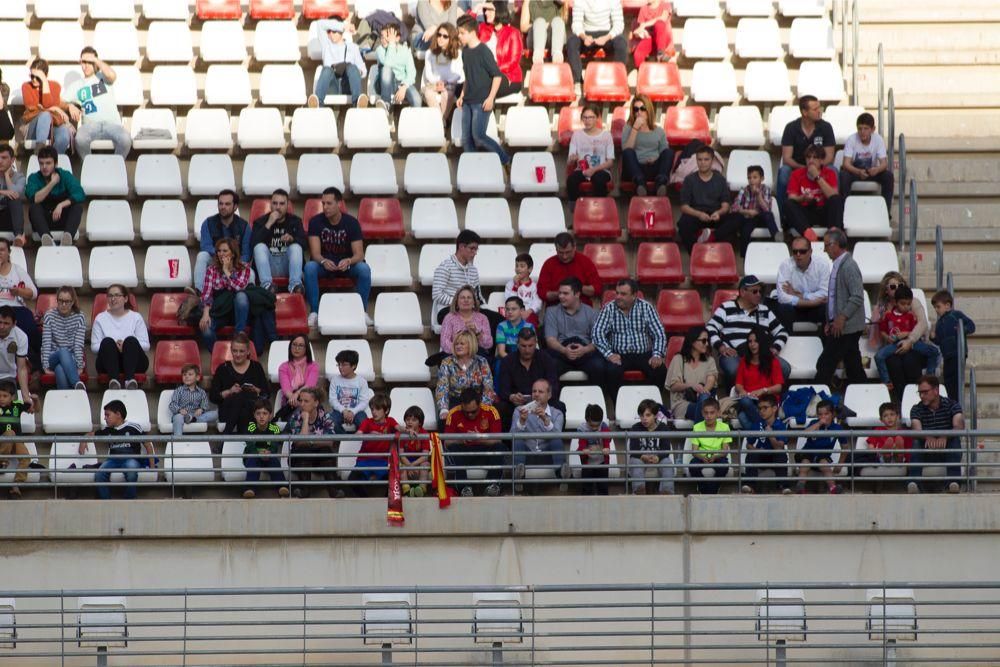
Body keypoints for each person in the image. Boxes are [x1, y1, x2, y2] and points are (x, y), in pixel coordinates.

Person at [304, 186, 371, 328]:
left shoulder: (351, 223)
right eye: (323, 203)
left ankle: (361, 311)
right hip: (325, 264)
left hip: (346, 265)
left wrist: (349, 261)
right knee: (310, 267)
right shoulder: (315, 222)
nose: (325, 207)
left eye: (329, 203)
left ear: (339, 204)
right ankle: (314, 312)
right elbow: (315, 253)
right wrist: (323, 261)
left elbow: (359, 254)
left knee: (364, 269)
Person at [707, 275, 790, 382]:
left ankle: (766, 393)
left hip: (760, 354)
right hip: (735, 354)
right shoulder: (726, 308)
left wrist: (775, 348)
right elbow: (710, 327)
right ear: (742, 292)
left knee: (784, 368)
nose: (759, 295)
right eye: (754, 292)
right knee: (734, 370)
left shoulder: (765, 310)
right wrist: (721, 347)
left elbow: (782, 332)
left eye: (760, 292)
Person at [867, 271, 933, 400]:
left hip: (914, 345)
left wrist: (910, 340)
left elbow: (922, 323)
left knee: (910, 361)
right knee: (893, 363)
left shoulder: (912, 302)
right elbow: (877, 330)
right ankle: (901, 400)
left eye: (900, 284)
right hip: (892, 347)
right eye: (892, 286)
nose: (897, 288)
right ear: (886, 290)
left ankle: (917, 398)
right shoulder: (882, 307)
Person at [456, 14, 511, 165]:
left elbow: (497, 76)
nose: (459, 36)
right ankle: (473, 169)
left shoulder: (484, 51)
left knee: (479, 136)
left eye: (462, 33)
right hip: (468, 102)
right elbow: (468, 76)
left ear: (472, 32)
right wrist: (462, 95)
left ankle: (506, 160)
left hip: (481, 102)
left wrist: (491, 98)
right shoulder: (465, 52)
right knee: (467, 140)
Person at [593, 279, 668, 389]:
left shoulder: (646, 307)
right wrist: (609, 354)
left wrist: (657, 354)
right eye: (617, 293)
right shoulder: (609, 308)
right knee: (611, 371)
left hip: (643, 354)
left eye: (623, 294)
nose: (618, 297)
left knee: (660, 370)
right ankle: (618, 404)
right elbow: (597, 333)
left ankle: (648, 403)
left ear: (634, 295)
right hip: (619, 355)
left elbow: (659, 333)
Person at [815, 229, 866, 388]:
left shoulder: (849, 266)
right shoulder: (840, 264)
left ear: (836, 244)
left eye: (826, 245)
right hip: (843, 325)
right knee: (853, 364)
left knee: (825, 364)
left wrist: (841, 317)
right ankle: (864, 393)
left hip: (846, 326)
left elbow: (857, 296)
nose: (824, 250)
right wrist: (830, 320)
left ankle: (817, 397)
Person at [65, 47, 131, 158]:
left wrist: (95, 60)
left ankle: (115, 167)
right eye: (83, 62)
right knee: (80, 139)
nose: (85, 65)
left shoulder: (103, 77)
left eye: (89, 62)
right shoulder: (76, 85)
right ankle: (89, 167)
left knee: (125, 140)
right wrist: (69, 105)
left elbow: (112, 75)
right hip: (90, 126)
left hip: (112, 124)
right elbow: (60, 101)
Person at [875, 285, 940, 393]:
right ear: (896, 302)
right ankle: (887, 382)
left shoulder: (911, 315)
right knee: (879, 356)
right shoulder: (888, 315)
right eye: (903, 304)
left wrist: (907, 336)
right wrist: (888, 337)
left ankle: (930, 379)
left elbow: (918, 329)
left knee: (933, 351)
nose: (906, 306)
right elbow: (882, 330)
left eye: (908, 304)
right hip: (895, 345)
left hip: (913, 343)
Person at [777, 95, 836, 212]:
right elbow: (787, 158)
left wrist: (816, 168)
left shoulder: (826, 127)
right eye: (815, 109)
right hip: (798, 167)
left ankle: (834, 212)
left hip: (820, 167)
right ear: (804, 112)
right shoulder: (791, 128)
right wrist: (805, 168)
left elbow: (829, 156)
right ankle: (782, 214)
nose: (819, 111)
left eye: (819, 108)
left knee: (833, 170)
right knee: (784, 171)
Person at [908, 375, 965, 494]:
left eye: (925, 392)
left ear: (936, 390)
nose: (922, 396)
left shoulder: (952, 405)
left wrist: (945, 436)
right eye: (920, 393)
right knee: (917, 442)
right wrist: (927, 436)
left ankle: (953, 483)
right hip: (926, 450)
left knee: (955, 441)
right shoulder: (916, 409)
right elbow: (916, 430)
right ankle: (914, 484)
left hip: (946, 449)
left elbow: (959, 427)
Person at [444, 387, 504, 496]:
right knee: (453, 449)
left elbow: (498, 439)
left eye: (473, 411)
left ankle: (493, 486)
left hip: (484, 451)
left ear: (480, 403)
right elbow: (447, 442)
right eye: (466, 412)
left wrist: (480, 438)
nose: (470, 415)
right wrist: (462, 439)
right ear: (461, 405)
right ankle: (464, 488)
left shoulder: (491, 411)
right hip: (463, 451)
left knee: (499, 447)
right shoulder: (453, 414)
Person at [543, 277, 604, 383]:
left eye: (565, 293)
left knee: (599, 366)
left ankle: (595, 399)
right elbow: (550, 340)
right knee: (548, 365)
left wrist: (584, 350)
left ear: (577, 294)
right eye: (560, 293)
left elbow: (598, 340)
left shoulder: (592, 313)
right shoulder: (551, 311)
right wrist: (565, 350)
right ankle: (553, 399)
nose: (561, 296)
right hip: (561, 352)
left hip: (585, 352)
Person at [511, 378, 568, 491]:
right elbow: (510, 436)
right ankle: (518, 476)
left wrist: (546, 420)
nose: (536, 394)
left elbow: (558, 437)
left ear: (549, 395)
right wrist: (521, 422)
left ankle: (562, 476)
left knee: (556, 438)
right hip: (527, 456)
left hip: (547, 455)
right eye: (534, 391)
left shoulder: (557, 413)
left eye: (540, 392)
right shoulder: (519, 410)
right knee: (517, 438)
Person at [192, 190, 252, 297]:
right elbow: (205, 246)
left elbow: (246, 254)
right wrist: (222, 255)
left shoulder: (244, 226)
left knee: (250, 273)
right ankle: (199, 293)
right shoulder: (208, 223)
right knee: (202, 256)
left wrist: (232, 263)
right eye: (221, 203)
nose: (223, 207)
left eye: (227, 204)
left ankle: (246, 299)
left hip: (235, 263)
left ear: (235, 207)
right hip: (215, 261)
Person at [497, 327, 560, 428]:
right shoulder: (508, 361)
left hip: (542, 401)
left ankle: (555, 439)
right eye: (523, 346)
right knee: (502, 407)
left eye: (530, 346)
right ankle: (508, 443)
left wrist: (542, 397)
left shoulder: (546, 359)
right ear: (517, 344)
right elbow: (503, 390)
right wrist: (512, 397)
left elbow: (553, 386)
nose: (527, 350)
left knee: (559, 406)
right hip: (516, 404)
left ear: (536, 343)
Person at [92, 400, 155, 500]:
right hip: (112, 460)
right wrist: (83, 441)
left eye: (108, 415)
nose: (105, 418)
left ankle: (128, 500)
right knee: (99, 474)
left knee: (131, 471)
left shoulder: (133, 427)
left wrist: (152, 467)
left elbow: (148, 445)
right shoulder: (108, 429)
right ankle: (106, 502)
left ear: (118, 414)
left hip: (131, 459)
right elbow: (91, 434)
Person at [91, 284, 149, 390]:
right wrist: (114, 346)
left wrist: (125, 346)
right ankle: (114, 381)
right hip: (108, 362)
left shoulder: (136, 317)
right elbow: (94, 347)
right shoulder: (100, 318)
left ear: (125, 298)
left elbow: (146, 345)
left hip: (134, 361)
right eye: (110, 296)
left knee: (130, 340)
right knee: (107, 342)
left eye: (117, 295)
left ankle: (129, 380)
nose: (113, 299)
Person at [209, 333, 269, 434]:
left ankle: (226, 436)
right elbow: (213, 396)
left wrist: (256, 390)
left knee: (243, 404)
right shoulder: (222, 368)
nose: (237, 354)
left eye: (241, 351)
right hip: (228, 410)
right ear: (231, 349)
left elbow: (266, 393)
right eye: (235, 351)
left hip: (252, 410)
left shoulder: (256, 367)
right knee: (238, 398)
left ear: (248, 351)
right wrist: (229, 391)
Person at [199, 237, 253, 350]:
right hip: (220, 311)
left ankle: (238, 335)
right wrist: (205, 314)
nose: (221, 254)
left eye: (225, 251)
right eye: (219, 251)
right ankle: (219, 355)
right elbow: (207, 293)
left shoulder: (244, 268)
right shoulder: (211, 270)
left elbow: (239, 287)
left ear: (233, 254)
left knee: (241, 296)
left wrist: (227, 272)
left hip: (237, 313)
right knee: (206, 330)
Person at [25, 146, 85, 246]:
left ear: (55, 164)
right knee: (34, 207)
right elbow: (35, 198)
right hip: (43, 221)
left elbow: (80, 193)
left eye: (48, 163)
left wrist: (61, 205)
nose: (44, 167)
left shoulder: (65, 175)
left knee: (77, 207)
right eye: (41, 163)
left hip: (62, 219)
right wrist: (52, 183)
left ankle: (67, 237)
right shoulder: (34, 178)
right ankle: (47, 239)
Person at [284, 386, 338, 498]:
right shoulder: (295, 417)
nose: (302, 404)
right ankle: (305, 490)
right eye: (300, 400)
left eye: (306, 401)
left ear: (316, 403)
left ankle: (333, 491)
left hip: (318, 456)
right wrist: (306, 420)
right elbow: (300, 442)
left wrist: (310, 442)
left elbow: (330, 441)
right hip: (298, 457)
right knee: (303, 450)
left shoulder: (325, 416)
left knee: (326, 451)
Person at [251, 189, 306, 295]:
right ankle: (267, 285)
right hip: (269, 265)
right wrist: (269, 223)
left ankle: (295, 285)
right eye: (275, 203)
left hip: (287, 265)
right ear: (270, 205)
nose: (278, 207)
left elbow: (304, 244)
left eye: (282, 204)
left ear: (287, 205)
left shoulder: (295, 221)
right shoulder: (260, 222)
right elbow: (253, 244)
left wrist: (292, 239)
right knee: (259, 247)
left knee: (296, 247)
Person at [784, 144, 844, 241]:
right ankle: (809, 234)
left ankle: (834, 236)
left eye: (815, 158)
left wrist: (817, 176)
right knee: (788, 204)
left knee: (836, 200)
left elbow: (833, 195)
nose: (811, 161)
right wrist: (802, 198)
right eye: (808, 157)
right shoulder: (796, 174)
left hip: (824, 211)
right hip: (806, 210)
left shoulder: (829, 173)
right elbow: (791, 197)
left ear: (821, 161)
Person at [435, 330, 498, 421]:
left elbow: (488, 387)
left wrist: (484, 407)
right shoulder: (447, 362)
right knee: (444, 419)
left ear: (471, 345)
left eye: (462, 344)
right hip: (456, 401)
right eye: (456, 344)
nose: (458, 346)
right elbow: (442, 387)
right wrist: (444, 409)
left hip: (477, 402)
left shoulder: (482, 361)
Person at [771, 236, 830, 332]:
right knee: (783, 308)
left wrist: (798, 295)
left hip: (815, 308)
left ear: (810, 252)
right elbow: (782, 297)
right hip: (795, 308)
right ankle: (787, 342)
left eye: (802, 251)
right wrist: (811, 302)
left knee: (827, 308)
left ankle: (826, 345)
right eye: (795, 252)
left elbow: (824, 294)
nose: (798, 255)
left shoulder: (822, 265)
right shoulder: (785, 265)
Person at [677, 145, 731, 250]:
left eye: (706, 159)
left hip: (715, 215)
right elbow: (684, 206)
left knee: (736, 219)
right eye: (700, 159)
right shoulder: (689, 180)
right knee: (683, 225)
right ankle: (696, 253)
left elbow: (726, 205)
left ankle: (712, 237)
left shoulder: (720, 179)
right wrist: (699, 214)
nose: (702, 162)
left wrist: (718, 213)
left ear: (712, 160)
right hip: (697, 215)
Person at [716, 165, 777, 256]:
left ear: (762, 178)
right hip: (748, 217)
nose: (751, 180)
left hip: (761, 217)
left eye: (755, 177)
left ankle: (777, 238)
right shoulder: (744, 190)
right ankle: (744, 255)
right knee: (745, 230)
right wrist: (747, 212)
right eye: (749, 178)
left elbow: (767, 209)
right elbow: (734, 207)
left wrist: (758, 196)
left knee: (768, 215)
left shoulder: (765, 189)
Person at [348, 394, 400, 496]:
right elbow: (358, 434)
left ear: (386, 410)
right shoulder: (367, 422)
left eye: (377, 409)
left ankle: (386, 504)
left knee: (394, 480)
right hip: (364, 460)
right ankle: (366, 501)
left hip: (383, 462)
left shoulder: (390, 421)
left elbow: (400, 429)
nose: (374, 412)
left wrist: (409, 430)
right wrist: (369, 435)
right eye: (372, 409)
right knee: (352, 480)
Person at [839, 112, 893, 213]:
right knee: (843, 175)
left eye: (866, 128)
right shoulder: (851, 139)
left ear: (873, 129)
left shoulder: (878, 139)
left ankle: (885, 212)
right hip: (854, 172)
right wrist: (858, 172)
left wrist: (877, 170)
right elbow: (846, 164)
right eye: (860, 128)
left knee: (888, 176)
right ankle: (844, 211)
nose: (862, 132)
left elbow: (884, 164)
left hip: (871, 171)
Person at [734, 327, 785, 432]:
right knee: (744, 404)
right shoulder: (744, 361)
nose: (752, 344)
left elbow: (779, 387)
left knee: (743, 416)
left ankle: (760, 436)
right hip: (749, 401)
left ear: (762, 342)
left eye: (756, 341)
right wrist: (742, 391)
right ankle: (766, 432)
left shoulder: (772, 361)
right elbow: (738, 384)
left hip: (767, 401)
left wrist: (763, 390)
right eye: (750, 342)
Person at [0, 237, 40, 371]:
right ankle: (32, 364)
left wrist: (19, 291)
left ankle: (35, 365)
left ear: (8, 253)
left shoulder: (17, 270)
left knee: (30, 329)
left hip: (16, 307)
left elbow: (34, 293)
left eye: (2, 250)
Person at [308, 19, 368, 108]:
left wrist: (353, 71)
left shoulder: (353, 47)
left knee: (352, 67)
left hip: (347, 84)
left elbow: (364, 71)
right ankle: (317, 103)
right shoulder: (326, 45)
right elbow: (320, 24)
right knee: (327, 69)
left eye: (334, 31)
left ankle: (358, 102)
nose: (331, 34)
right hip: (332, 84)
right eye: (329, 31)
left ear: (341, 32)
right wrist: (343, 26)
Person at [567, 0, 627, 88]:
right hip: (587, 33)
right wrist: (584, 37)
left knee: (621, 43)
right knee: (572, 42)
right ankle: (577, 81)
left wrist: (606, 37)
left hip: (607, 33)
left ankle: (618, 80)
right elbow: (576, 24)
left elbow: (619, 24)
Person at [621, 95, 673, 197]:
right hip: (635, 169)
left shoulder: (659, 131)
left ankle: (661, 183)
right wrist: (635, 128)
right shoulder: (628, 128)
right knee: (628, 152)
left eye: (642, 109)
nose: (639, 112)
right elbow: (625, 149)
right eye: (636, 109)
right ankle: (640, 185)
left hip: (653, 168)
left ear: (648, 110)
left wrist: (655, 158)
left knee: (669, 152)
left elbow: (664, 153)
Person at [931, 290, 976, 401]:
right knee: (948, 380)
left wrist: (962, 329)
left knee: (956, 380)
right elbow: (939, 341)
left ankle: (957, 403)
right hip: (947, 356)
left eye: (938, 307)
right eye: (935, 308)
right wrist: (932, 337)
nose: (936, 310)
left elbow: (971, 325)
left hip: (957, 354)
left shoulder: (956, 315)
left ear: (947, 306)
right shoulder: (939, 323)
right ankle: (951, 403)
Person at [666, 326, 718, 422]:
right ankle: (701, 436)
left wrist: (703, 392)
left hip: (703, 401)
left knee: (705, 404)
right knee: (706, 411)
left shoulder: (710, 360)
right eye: (703, 340)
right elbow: (673, 385)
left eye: (708, 341)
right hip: (682, 403)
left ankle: (698, 436)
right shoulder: (679, 359)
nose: (706, 344)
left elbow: (711, 379)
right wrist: (692, 385)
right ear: (693, 341)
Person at [740, 393, 790, 494]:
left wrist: (770, 434)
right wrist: (756, 450)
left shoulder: (780, 425)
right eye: (759, 408)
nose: (761, 411)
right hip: (760, 455)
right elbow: (748, 444)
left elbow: (779, 446)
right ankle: (750, 486)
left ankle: (783, 487)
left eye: (765, 408)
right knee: (751, 455)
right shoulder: (756, 425)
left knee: (781, 454)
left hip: (774, 456)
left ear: (774, 408)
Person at [20, 58, 72, 154]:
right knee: (45, 115)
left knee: (64, 136)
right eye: (32, 76)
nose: (34, 80)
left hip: (54, 123)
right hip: (34, 127)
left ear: (46, 76)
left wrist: (44, 82)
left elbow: (48, 104)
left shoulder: (55, 86)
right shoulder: (26, 86)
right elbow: (31, 107)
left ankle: (52, 161)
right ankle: (39, 151)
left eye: (38, 77)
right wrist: (54, 108)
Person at [537, 233, 602, 307]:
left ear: (575, 247)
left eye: (568, 252)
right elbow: (541, 292)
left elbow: (597, 288)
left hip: (582, 307)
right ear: (556, 249)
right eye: (561, 252)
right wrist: (560, 293)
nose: (565, 257)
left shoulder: (585, 261)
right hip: (556, 308)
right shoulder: (549, 264)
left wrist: (577, 288)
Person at [794, 399, 845, 494]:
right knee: (805, 463)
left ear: (833, 414)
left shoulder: (837, 428)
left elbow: (845, 447)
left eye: (826, 414)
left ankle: (833, 488)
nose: (823, 417)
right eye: (820, 414)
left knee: (824, 464)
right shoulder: (814, 423)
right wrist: (819, 423)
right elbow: (805, 434)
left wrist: (840, 464)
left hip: (823, 456)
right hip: (808, 454)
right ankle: (800, 486)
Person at [566, 104, 614, 203]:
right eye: (585, 117)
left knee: (599, 180)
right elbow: (569, 161)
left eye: (591, 117)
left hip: (601, 169)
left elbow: (610, 162)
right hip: (582, 169)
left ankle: (599, 208)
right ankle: (576, 207)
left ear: (597, 118)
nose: (587, 120)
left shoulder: (606, 135)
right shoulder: (577, 135)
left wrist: (594, 169)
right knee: (571, 180)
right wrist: (572, 159)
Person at [40, 285, 86, 390]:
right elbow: (46, 343)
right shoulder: (49, 316)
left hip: (71, 359)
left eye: (67, 301)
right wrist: (45, 366)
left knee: (60, 369)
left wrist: (79, 366)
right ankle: (76, 383)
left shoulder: (80, 317)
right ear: (57, 301)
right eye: (60, 301)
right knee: (63, 351)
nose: (63, 304)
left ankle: (65, 401)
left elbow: (78, 344)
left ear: (73, 302)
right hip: (52, 357)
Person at [242, 400, 288, 499]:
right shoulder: (251, 427)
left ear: (270, 415)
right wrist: (258, 452)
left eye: (265, 413)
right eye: (258, 413)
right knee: (252, 460)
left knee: (274, 461)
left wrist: (269, 452)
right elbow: (249, 444)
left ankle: (282, 486)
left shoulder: (274, 428)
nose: (261, 416)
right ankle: (249, 489)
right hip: (253, 456)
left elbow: (275, 443)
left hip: (269, 456)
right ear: (254, 415)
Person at [626, 398, 673, 495]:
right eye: (641, 415)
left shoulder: (663, 428)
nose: (644, 418)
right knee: (636, 463)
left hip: (658, 458)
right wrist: (643, 456)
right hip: (640, 458)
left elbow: (666, 449)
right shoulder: (635, 428)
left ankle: (666, 493)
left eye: (648, 415)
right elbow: (633, 450)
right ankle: (639, 491)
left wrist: (658, 457)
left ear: (655, 415)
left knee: (667, 463)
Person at [372, 23, 421, 111]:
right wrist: (391, 44)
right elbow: (388, 65)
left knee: (417, 99)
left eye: (388, 36)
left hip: (402, 83)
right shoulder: (380, 50)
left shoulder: (405, 50)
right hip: (385, 84)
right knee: (386, 69)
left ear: (397, 38)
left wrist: (404, 86)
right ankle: (386, 104)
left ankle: (414, 122)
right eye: (382, 36)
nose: (383, 39)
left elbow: (411, 73)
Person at [688, 398, 732, 495]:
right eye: (706, 413)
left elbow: (725, 451)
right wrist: (702, 457)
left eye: (712, 413)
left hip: (718, 456)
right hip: (701, 456)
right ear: (702, 413)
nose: (709, 416)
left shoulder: (725, 427)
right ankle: (703, 488)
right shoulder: (697, 427)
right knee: (693, 466)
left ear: (718, 413)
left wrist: (715, 456)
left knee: (723, 466)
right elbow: (694, 451)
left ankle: (712, 489)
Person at [421, 22, 464, 118]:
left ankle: (440, 122)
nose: (441, 38)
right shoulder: (429, 53)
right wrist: (437, 83)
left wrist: (445, 83)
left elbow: (458, 74)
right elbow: (428, 74)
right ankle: (442, 123)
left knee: (447, 93)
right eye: (439, 35)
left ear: (451, 38)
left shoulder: (458, 53)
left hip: (450, 84)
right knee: (428, 94)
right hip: (433, 84)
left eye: (445, 36)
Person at [440, 285, 494, 355]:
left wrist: (477, 334)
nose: (466, 300)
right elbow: (444, 343)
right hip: (454, 354)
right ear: (457, 301)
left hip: (476, 355)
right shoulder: (449, 318)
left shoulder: (482, 318)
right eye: (462, 298)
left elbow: (488, 344)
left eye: (469, 297)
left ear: (474, 301)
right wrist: (461, 351)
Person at [276, 335, 320, 421]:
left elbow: (310, 385)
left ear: (306, 348)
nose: (297, 348)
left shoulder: (313, 366)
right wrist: (293, 398)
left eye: (300, 345)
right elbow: (286, 390)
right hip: (291, 402)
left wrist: (297, 395)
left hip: (309, 401)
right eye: (294, 344)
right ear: (290, 347)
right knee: (295, 416)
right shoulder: (283, 367)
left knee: (308, 409)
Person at [329, 348, 373, 434]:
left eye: (344, 365)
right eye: (339, 364)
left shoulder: (361, 381)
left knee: (364, 422)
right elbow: (332, 400)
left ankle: (359, 442)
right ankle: (346, 440)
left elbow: (364, 402)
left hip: (357, 412)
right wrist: (344, 411)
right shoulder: (335, 380)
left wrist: (353, 412)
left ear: (353, 366)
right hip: (339, 411)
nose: (341, 367)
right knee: (330, 421)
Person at [0, 380, 30, 498]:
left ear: (12, 397)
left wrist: (36, 400)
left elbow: (35, 409)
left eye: (5, 396)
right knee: (10, 433)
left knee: (26, 458)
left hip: (16, 442)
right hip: (1, 441)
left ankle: (16, 486)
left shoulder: (17, 406)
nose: (1, 399)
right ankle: (2, 461)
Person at [486, 4, 524, 95]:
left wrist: (492, 70)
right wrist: (476, 9)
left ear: (500, 11)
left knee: (481, 87)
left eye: (490, 10)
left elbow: (513, 61)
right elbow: (467, 29)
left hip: (509, 76)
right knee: (465, 86)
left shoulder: (513, 32)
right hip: (488, 75)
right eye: (485, 10)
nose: (486, 12)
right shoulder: (484, 30)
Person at [169, 363, 217, 436]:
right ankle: (178, 440)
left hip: (196, 416)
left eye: (190, 374)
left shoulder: (201, 392)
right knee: (178, 418)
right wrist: (179, 410)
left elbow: (205, 405)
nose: (187, 377)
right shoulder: (179, 390)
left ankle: (192, 419)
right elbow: (172, 404)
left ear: (197, 377)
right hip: (182, 415)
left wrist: (201, 409)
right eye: (184, 375)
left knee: (215, 414)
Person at [0, 307, 32, 410]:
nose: (1, 326)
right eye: (0, 322)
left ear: (14, 324)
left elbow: (22, 368)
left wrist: (26, 396)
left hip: (9, 377)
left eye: (6, 323)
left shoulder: (21, 337)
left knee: (8, 407)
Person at [576, 403, 611, 495]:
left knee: (603, 486)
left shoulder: (604, 428)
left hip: (602, 462)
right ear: (587, 420)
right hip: (588, 464)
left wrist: (607, 448)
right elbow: (581, 444)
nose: (595, 428)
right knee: (587, 487)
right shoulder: (582, 429)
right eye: (592, 426)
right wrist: (583, 450)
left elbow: (607, 440)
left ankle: (604, 504)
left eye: (597, 425)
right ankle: (586, 503)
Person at [865, 402, 911, 468]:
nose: (889, 418)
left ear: (898, 416)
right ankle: (887, 451)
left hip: (899, 461)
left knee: (899, 448)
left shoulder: (904, 432)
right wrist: (875, 451)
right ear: (881, 419)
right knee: (885, 453)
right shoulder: (878, 431)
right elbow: (871, 446)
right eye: (885, 416)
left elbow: (908, 452)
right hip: (883, 460)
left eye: (892, 414)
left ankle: (896, 451)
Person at [520, 0, 567, 64]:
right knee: (540, 22)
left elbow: (564, 2)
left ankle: (557, 55)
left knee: (558, 21)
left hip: (554, 39)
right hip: (536, 37)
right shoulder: (528, 1)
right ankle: (538, 56)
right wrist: (541, 25)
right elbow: (523, 27)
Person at [630, 0, 673, 66]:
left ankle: (661, 53)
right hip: (649, 38)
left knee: (659, 24)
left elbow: (663, 18)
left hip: (662, 39)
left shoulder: (665, 4)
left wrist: (645, 24)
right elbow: (641, 27)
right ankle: (641, 71)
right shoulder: (644, 8)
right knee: (638, 54)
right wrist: (641, 32)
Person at [495, 296, 533, 367]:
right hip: (506, 357)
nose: (510, 312)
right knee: (499, 365)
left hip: (526, 356)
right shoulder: (501, 326)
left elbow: (532, 348)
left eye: (514, 309)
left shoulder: (529, 326)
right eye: (507, 309)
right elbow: (501, 352)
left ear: (522, 310)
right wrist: (515, 362)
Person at [400, 405, 430, 496]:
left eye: (414, 420)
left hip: (418, 464)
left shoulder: (424, 433)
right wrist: (408, 466)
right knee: (400, 465)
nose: (410, 422)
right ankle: (407, 491)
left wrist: (412, 465)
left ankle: (422, 489)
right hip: (406, 463)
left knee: (425, 464)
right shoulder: (402, 434)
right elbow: (401, 455)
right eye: (408, 419)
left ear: (420, 423)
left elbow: (425, 456)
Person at [504, 253, 542, 323]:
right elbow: (509, 300)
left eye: (522, 266)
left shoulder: (534, 286)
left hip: (529, 313)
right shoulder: (510, 284)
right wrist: (515, 286)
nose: (518, 269)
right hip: (513, 312)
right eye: (516, 266)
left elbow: (537, 302)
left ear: (530, 269)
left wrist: (529, 311)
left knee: (532, 321)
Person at [0, 144, 26, 247]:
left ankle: (19, 236)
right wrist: (3, 192)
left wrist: (7, 176)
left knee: (14, 199)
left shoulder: (20, 177)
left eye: (4, 158)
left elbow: (16, 193)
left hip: (9, 219)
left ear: (12, 160)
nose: (0, 161)